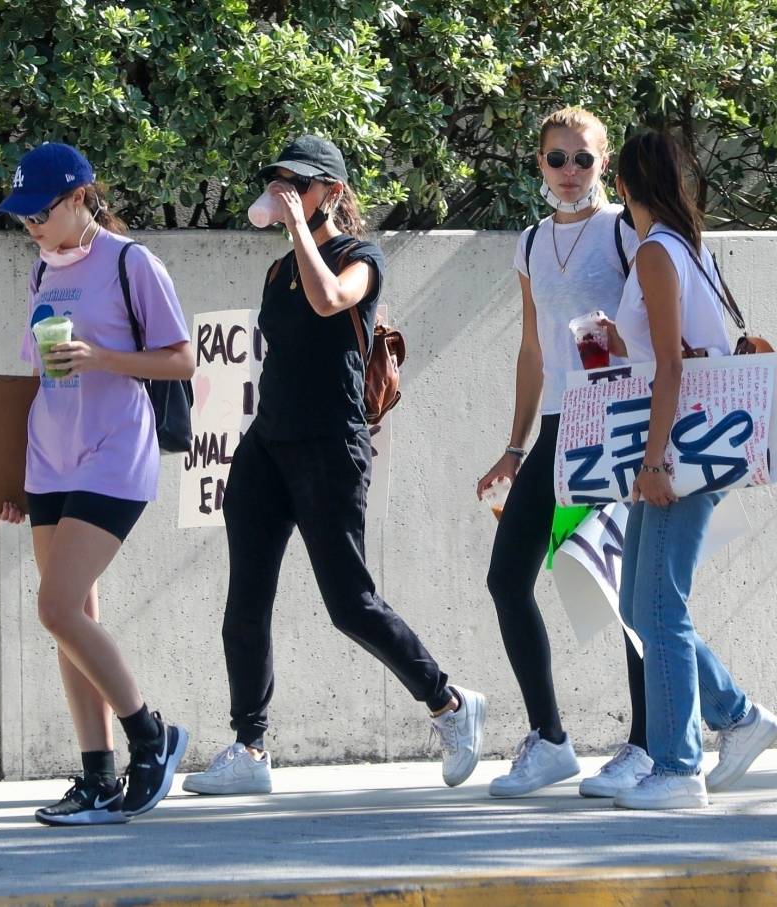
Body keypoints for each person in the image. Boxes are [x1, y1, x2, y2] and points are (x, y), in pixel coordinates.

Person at [183, 136, 485, 796]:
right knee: (245, 602)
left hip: (330, 446)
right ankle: (250, 746)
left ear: (332, 193)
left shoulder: (359, 258)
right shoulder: (276, 271)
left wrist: (297, 227)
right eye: (278, 179)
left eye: (299, 181)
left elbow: (330, 303)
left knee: (349, 604)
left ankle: (449, 704)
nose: (284, 188)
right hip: (268, 443)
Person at [0, 142, 194, 825]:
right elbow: (39, 378)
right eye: (21, 217)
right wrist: (8, 475)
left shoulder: (132, 263)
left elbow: (183, 360)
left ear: (79, 197)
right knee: (73, 621)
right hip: (49, 454)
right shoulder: (41, 270)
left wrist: (103, 356)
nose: (31, 227)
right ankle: (98, 777)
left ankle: (150, 735)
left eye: (39, 213)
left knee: (55, 607)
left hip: (114, 452)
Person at [602, 129, 777, 809]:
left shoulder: (655, 250)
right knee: (637, 604)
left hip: (678, 448)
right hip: (690, 440)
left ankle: (679, 769)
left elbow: (674, 364)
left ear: (622, 186)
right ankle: (737, 715)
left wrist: (653, 460)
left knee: (659, 604)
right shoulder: (687, 248)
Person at [476, 107, 652, 799]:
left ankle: (646, 742)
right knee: (507, 578)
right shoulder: (529, 241)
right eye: (557, 159)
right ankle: (550, 739)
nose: (570, 172)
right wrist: (514, 445)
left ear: (604, 163)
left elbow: (650, 324)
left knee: (629, 590)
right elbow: (532, 348)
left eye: (583, 159)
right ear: (539, 163)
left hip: (614, 420)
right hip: (556, 426)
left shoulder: (623, 233)